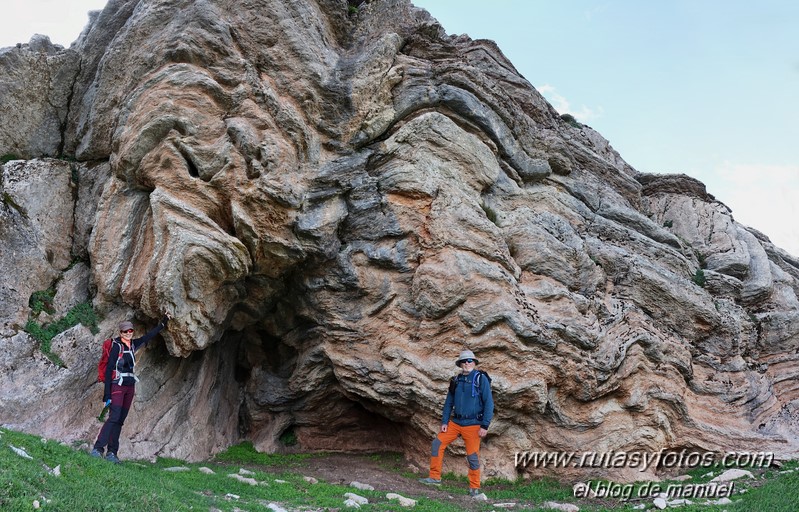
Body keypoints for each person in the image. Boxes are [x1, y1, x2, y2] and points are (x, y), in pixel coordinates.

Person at [90, 315, 170, 463]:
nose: (128, 333)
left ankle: (112, 453)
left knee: (120, 420)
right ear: (120, 333)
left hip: (129, 386)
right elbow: (108, 370)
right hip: (117, 385)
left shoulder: (133, 344)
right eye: (125, 332)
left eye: (130, 331)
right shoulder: (116, 346)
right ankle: (98, 449)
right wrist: (107, 394)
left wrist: (163, 323)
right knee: (114, 417)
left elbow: (148, 336)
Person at [419, 349, 494, 497]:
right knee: (437, 444)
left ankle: (474, 487)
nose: (467, 363)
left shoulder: (481, 378)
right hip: (455, 422)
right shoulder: (456, 380)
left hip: (473, 424)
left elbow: (489, 403)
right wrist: (445, 421)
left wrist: (485, 425)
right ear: (460, 364)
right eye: (464, 361)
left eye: (470, 361)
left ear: (474, 362)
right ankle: (434, 478)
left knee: (472, 455)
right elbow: (449, 402)